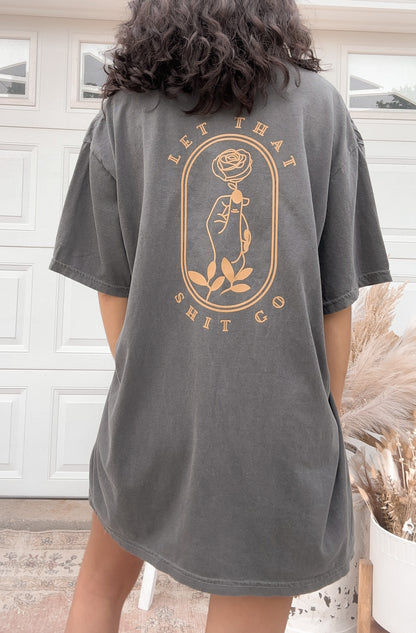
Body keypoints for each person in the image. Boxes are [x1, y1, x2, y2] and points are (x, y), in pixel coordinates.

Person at [48, 1, 393, 632]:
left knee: (97, 591)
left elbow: (113, 290)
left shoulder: (126, 114)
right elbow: (336, 301)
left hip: (150, 417)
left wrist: (150, 383)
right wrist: (324, 421)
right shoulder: (320, 109)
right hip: (278, 431)